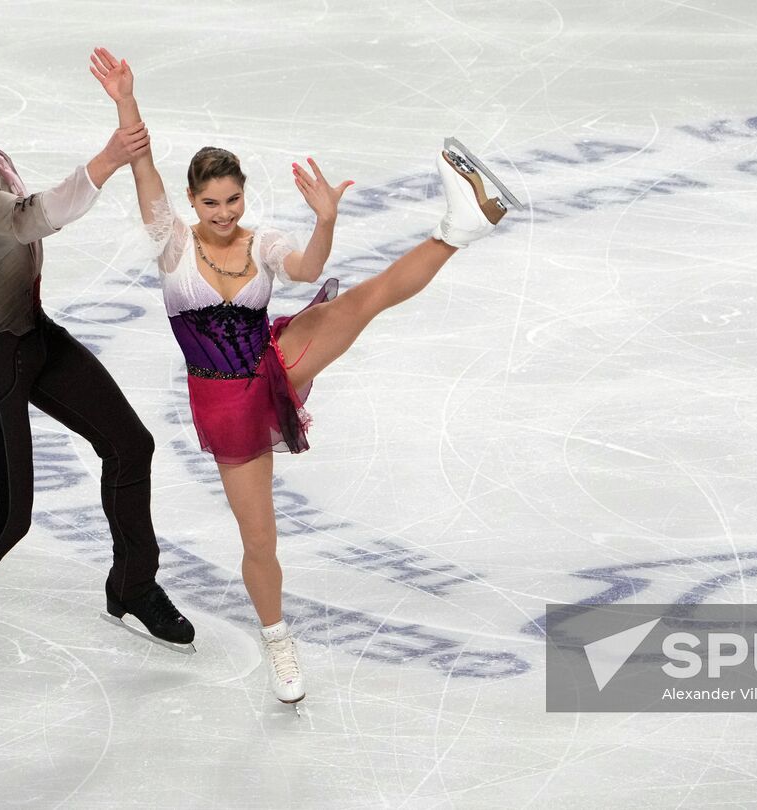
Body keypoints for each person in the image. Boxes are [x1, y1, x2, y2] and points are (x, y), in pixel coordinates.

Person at [89, 47, 523, 704]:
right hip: (225, 407)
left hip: (275, 358)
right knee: (260, 539)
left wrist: (325, 221)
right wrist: (124, 97)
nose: (226, 213)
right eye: (212, 203)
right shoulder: (172, 243)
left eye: (233, 199)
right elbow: (141, 162)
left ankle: (460, 227)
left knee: (362, 299)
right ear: (191, 201)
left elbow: (304, 269)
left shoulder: (260, 242)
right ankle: (276, 639)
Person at [0, 59, 197, 726]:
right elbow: (24, 219)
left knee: (129, 445)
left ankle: (133, 585)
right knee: (3, 517)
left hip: (30, 336)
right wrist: (106, 160)